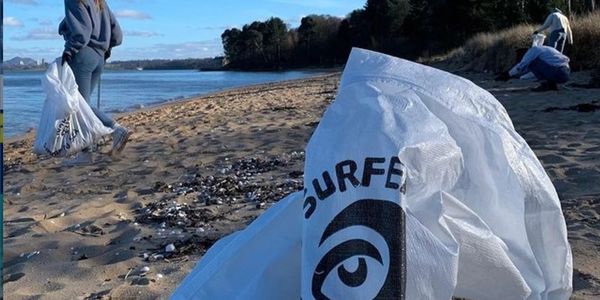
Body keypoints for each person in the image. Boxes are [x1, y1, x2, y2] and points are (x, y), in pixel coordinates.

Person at [59, 0, 131, 157]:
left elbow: (82, 32)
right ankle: (88, 149)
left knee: (79, 105)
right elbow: (117, 36)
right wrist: (105, 50)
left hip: (83, 55)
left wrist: (69, 51)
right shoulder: (100, 2)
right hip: (98, 57)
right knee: (84, 104)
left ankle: (115, 129)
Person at [495, 46, 570, 91]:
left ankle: (545, 85)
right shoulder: (542, 49)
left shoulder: (532, 51)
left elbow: (521, 66)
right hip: (565, 72)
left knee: (533, 63)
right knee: (533, 64)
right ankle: (550, 85)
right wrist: (518, 77)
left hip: (559, 72)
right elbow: (532, 73)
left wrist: (507, 74)